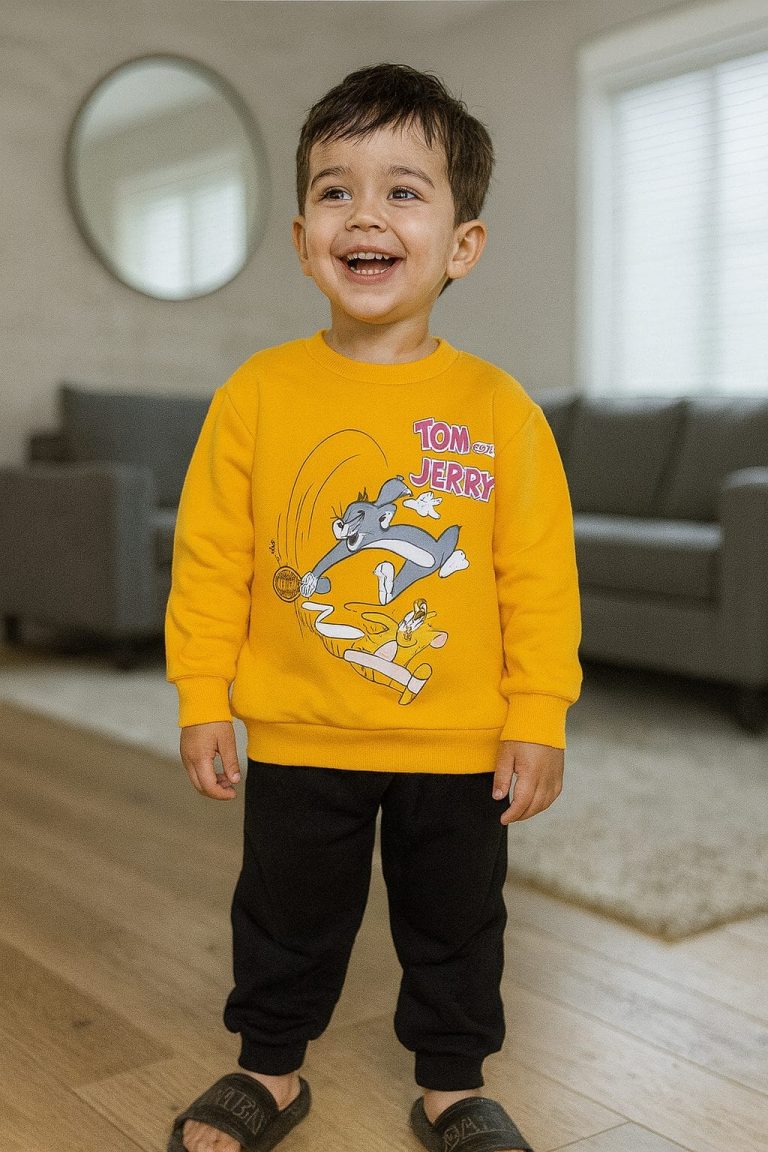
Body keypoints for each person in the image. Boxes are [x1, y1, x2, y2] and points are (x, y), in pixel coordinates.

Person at [164, 62, 582, 1152]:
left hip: (459, 738)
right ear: (304, 238)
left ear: (462, 245)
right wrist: (203, 693)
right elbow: (210, 559)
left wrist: (537, 712)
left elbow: (538, 575)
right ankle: (268, 1068)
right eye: (336, 190)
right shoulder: (256, 395)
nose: (365, 214)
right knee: (284, 915)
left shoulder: (498, 410)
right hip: (301, 728)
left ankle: (452, 1088)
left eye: (403, 190)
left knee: (457, 923)